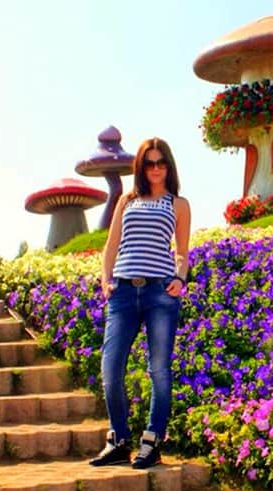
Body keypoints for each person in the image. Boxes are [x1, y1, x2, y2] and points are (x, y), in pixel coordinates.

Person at [89, 137, 191, 469]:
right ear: (141, 167)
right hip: (121, 293)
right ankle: (119, 440)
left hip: (160, 293)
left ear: (170, 166)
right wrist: (106, 279)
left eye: (161, 162)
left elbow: (182, 252)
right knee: (111, 369)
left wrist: (180, 278)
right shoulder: (126, 201)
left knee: (158, 370)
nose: (156, 168)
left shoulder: (178, 204)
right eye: (149, 163)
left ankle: (152, 442)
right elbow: (111, 244)